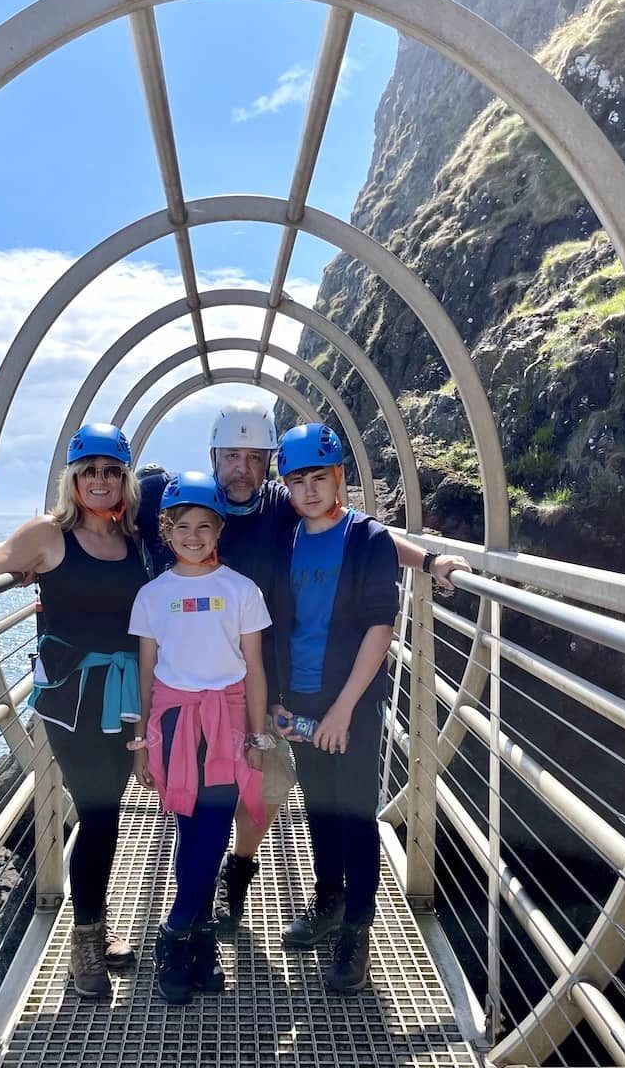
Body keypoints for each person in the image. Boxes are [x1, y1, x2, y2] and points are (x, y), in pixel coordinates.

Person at [137, 401, 471, 935]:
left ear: (270, 464)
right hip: (201, 681)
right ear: (213, 457)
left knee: (267, 790)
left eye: (255, 457)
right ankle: (195, 903)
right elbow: (111, 513)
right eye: (232, 456)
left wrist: (430, 562)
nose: (243, 468)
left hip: (269, 680)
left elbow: (361, 534)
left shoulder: (282, 505)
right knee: (199, 795)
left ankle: (237, 874)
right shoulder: (191, 506)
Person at [0, 422, 147, 1000]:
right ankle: (85, 941)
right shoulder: (48, 533)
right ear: (73, 478)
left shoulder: (134, 538)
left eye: (111, 471)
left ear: (124, 479)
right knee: (98, 811)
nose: (100, 480)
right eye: (89, 471)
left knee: (107, 812)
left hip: (123, 697)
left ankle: (96, 924)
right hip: (71, 699)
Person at [127, 472, 272, 1004]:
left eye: (205, 526)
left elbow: (254, 668)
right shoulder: (152, 595)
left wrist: (258, 735)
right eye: (182, 526)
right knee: (190, 831)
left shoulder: (241, 590)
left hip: (227, 721)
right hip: (174, 723)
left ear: (220, 530)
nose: (193, 536)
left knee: (212, 830)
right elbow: (146, 672)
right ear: (166, 531)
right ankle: (201, 943)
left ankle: (173, 932)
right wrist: (141, 742)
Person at [272, 423, 399, 994]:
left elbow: (380, 626)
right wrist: (277, 700)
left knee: (355, 811)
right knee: (319, 805)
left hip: (351, 701)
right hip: (300, 697)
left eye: (318, 477)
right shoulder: (287, 540)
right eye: (297, 479)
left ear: (339, 477)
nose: (309, 489)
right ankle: (329, 901)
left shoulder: (367, 538)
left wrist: (344, 708)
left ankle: (357, 928)